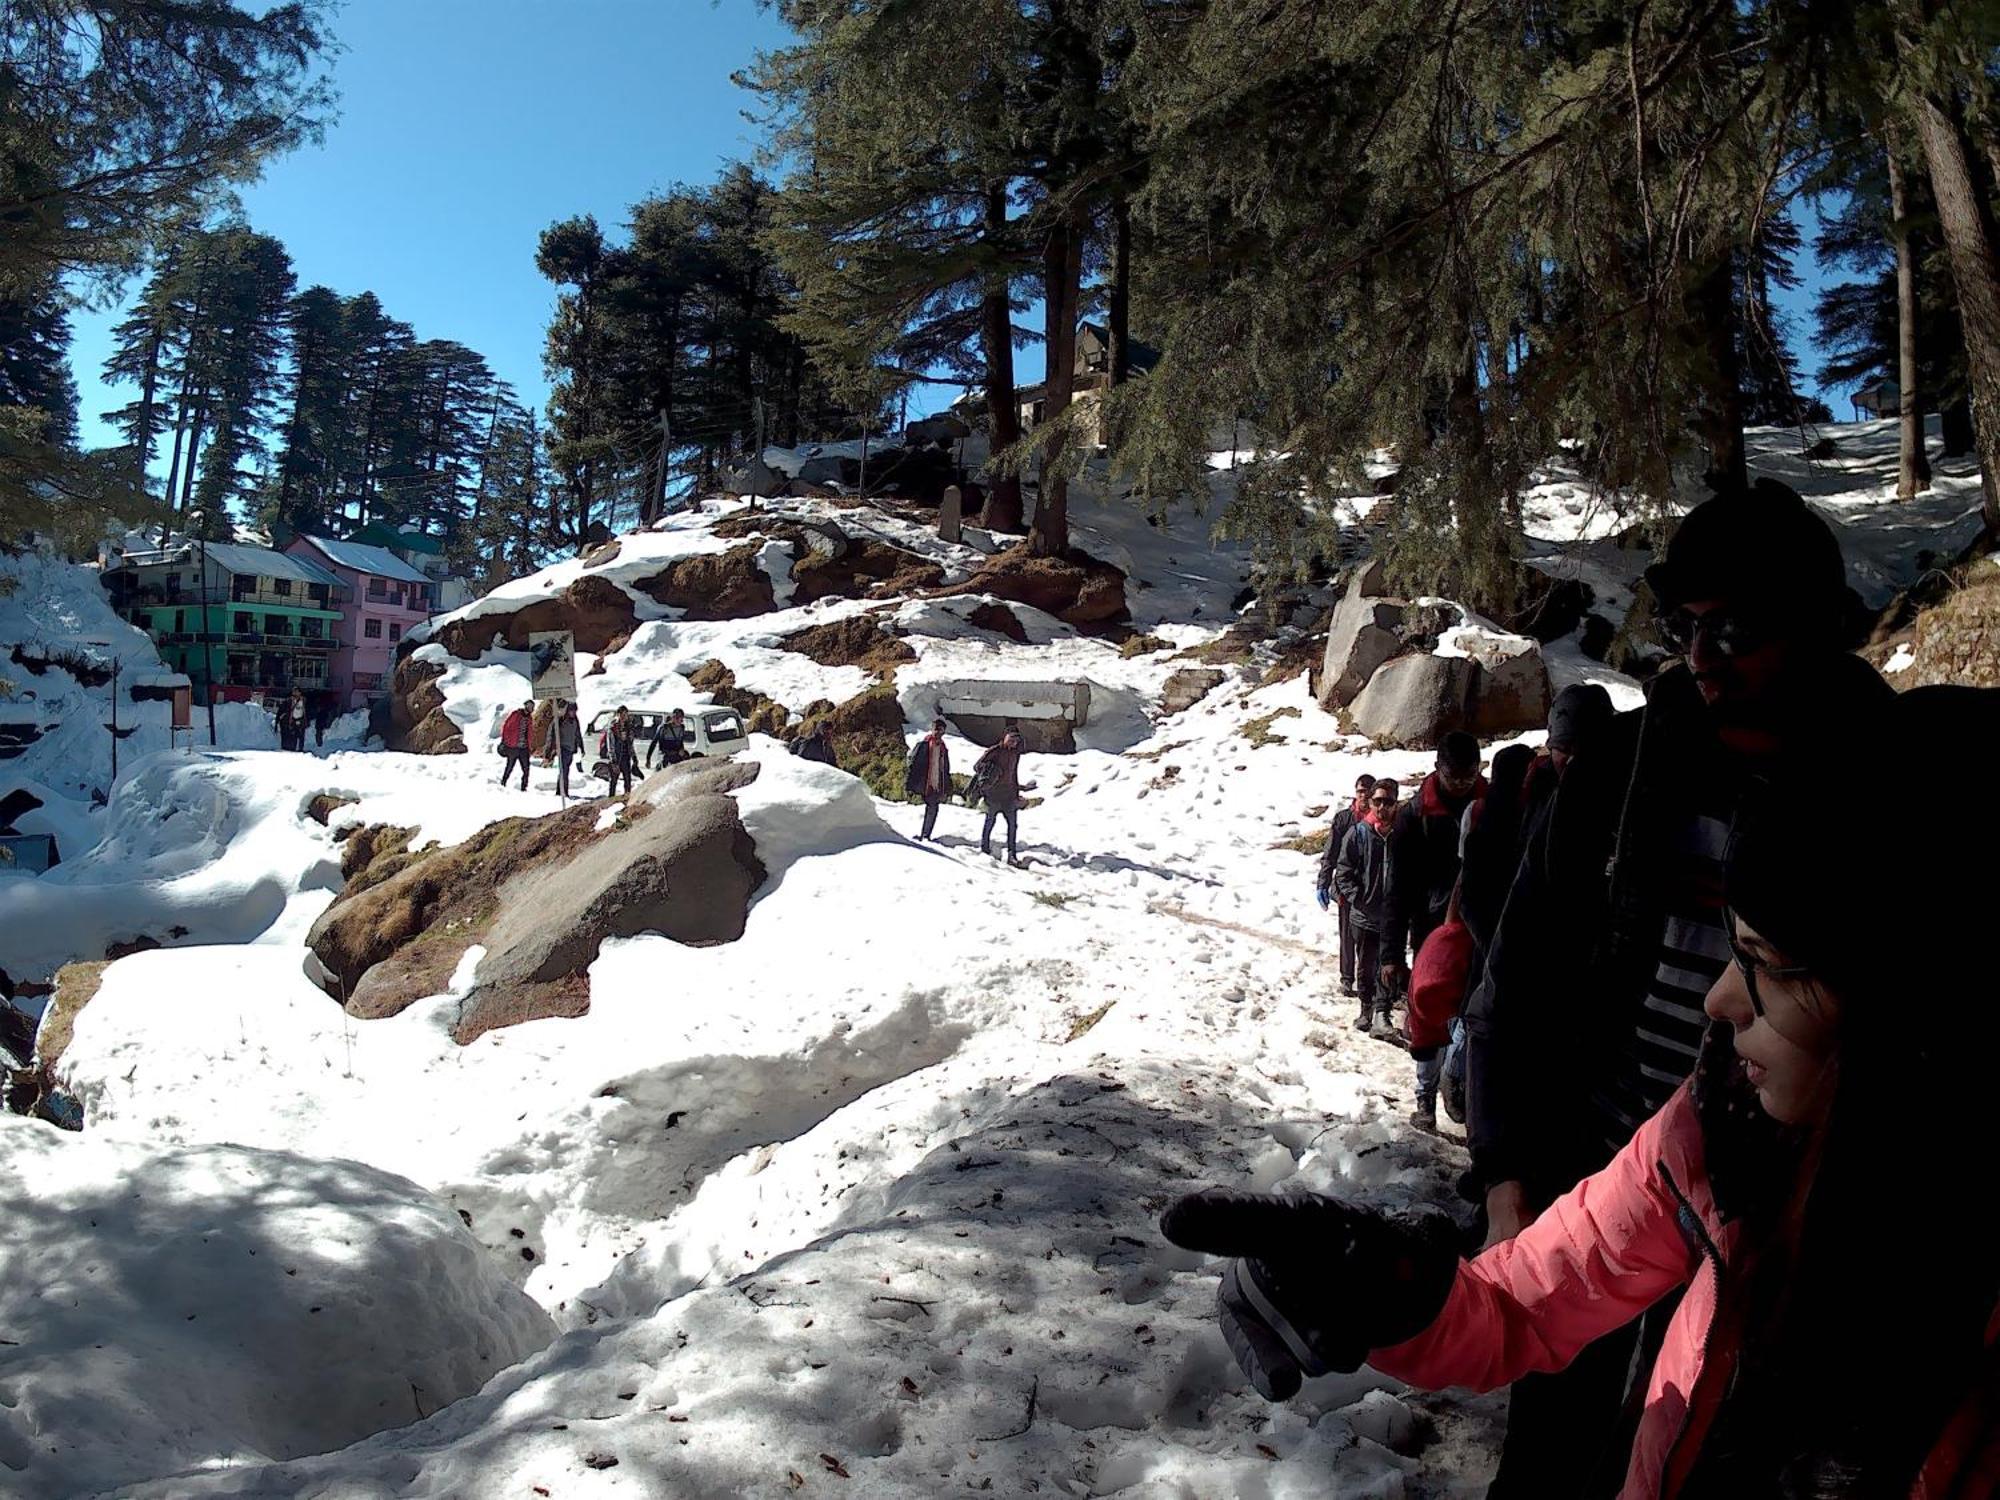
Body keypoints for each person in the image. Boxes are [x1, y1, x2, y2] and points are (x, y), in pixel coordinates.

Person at [1160, 730, 2000, 1500]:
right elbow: (1529, 1300)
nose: (1718, 998)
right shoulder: (1722, 1124)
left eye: (1769, 966)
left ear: (1917, 1009)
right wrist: (1390, 1288)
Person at [1460, 481, 1894, 1497]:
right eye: (1683, 626)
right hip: (1597, 1177)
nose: (1702, 657)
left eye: (1736, 626)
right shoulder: (1621, 765)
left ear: (1820, 624)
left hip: (1789, 1220)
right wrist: (1505, 1181)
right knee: (1549, 1459)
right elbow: (1511, 983)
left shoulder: (1891, 781)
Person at [1331, 778, 1398, 1034]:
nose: (1382, 807)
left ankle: (1383, 1012)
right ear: (1370, 802)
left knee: (1388, 964)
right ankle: (1366, 1007)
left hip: (1392, 917)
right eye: (1377, 801)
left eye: (1387, 802)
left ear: (1395, 803)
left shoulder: (1401, 834)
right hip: (1363, 915)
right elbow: (1343, 871)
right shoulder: (1357, 833)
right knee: (1366, 964)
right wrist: (1358, 898)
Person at [1316, 774, 1377, 997]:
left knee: (1369, 936)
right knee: (1347, 935)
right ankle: (1346, 977)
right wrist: (1323, 882)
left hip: (1371, 888)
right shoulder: (1344, 819)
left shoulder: (1378, 820)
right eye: (1361, 792)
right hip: (1345, 886)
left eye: (1368, 793)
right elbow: (1330, 853)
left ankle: (1370, 979)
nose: (1364, 796)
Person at [971, 728, 1034, 865]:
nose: (1013, 743)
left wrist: (1017, 793)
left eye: (1016, 741)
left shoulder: (1015, 754)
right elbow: (977, 767)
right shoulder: (995, 750)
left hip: (1009, 795)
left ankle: (1012, 855)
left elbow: (1014, 775)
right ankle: (985, 848)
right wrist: (993, 770)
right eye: (1011, 739)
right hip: (993, 794)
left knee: (1012, 825)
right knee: (990, 822)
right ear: (1004, 738)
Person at [904, 718, 953, 840]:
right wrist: (910, 783)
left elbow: (945, 768)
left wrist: (947, 785)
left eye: (941, 730)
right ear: (932, 729)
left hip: (936, 782)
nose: (938, 733)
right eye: (936, 729)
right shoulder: (923, 745)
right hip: (923, 781)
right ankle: (922, 835)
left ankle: (926, 835)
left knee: (933, 808)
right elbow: (913, 765)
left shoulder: (943, 749)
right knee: (928, 807)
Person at [544, 699, 582, 799]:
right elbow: (551, 736)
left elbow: (577, 734)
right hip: (562, 748)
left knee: (566, 771)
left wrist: (581, 747)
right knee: (564, 770)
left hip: (570, 749)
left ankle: (561, 791)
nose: (573, 713)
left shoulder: (575, 721)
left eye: (574, 711)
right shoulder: (560, 720)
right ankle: (562, 792)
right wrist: (548, 751)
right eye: (571, 711)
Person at [498, 699, 535, 791]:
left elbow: (530, 733)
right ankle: (503, 782)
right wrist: (506, 740)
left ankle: (524, 787)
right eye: (529, 706)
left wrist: (530, 745)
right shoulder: (516, 714)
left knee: (526, 769)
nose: (531, 708)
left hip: (524, 748)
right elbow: (506, 727)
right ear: (525, 706)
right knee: (510, 767)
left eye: (532, 707)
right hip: (513, 747)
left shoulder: (530, 718)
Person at [604, 704, 639, 797]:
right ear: (618, 715)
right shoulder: (613, 728)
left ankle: (627, 799)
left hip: (626, 756)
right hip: (616, 757)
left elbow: (631, 744)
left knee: (627, 780)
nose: (624, 717)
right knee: (614, 781)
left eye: (625, 715)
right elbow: (610, 745)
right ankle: (610, 800)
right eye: (622, 715)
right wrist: (613, 761)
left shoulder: (629, 728)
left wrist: (634, 757)